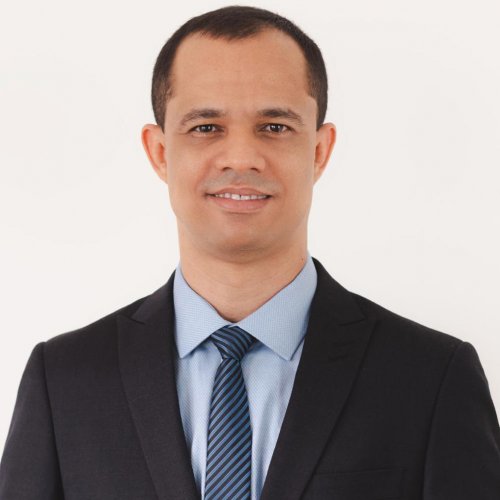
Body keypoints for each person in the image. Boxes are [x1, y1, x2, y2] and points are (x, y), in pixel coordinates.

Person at [1, 5, 499, 499]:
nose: (241, 157)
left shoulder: (433, 378)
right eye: (206, 127)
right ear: (160, 152)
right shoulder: (64, 380)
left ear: (319, 150)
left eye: (274, 126)